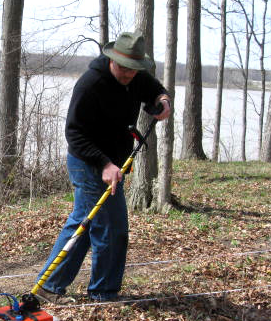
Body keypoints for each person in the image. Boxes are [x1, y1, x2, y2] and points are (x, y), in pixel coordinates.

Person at [35, 32, 171, 304]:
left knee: (84, 225)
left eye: (133, 69)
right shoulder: (91, 84)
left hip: (112, 164)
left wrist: (163, 101)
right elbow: (74, 133)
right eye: (122, 67)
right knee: (112, 227)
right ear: (111, 59)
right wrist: (104, 164)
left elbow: (154, 89)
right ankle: (103, 293)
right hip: (88, 163)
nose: (127, 74)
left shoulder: (136, 76)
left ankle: (50, 287)